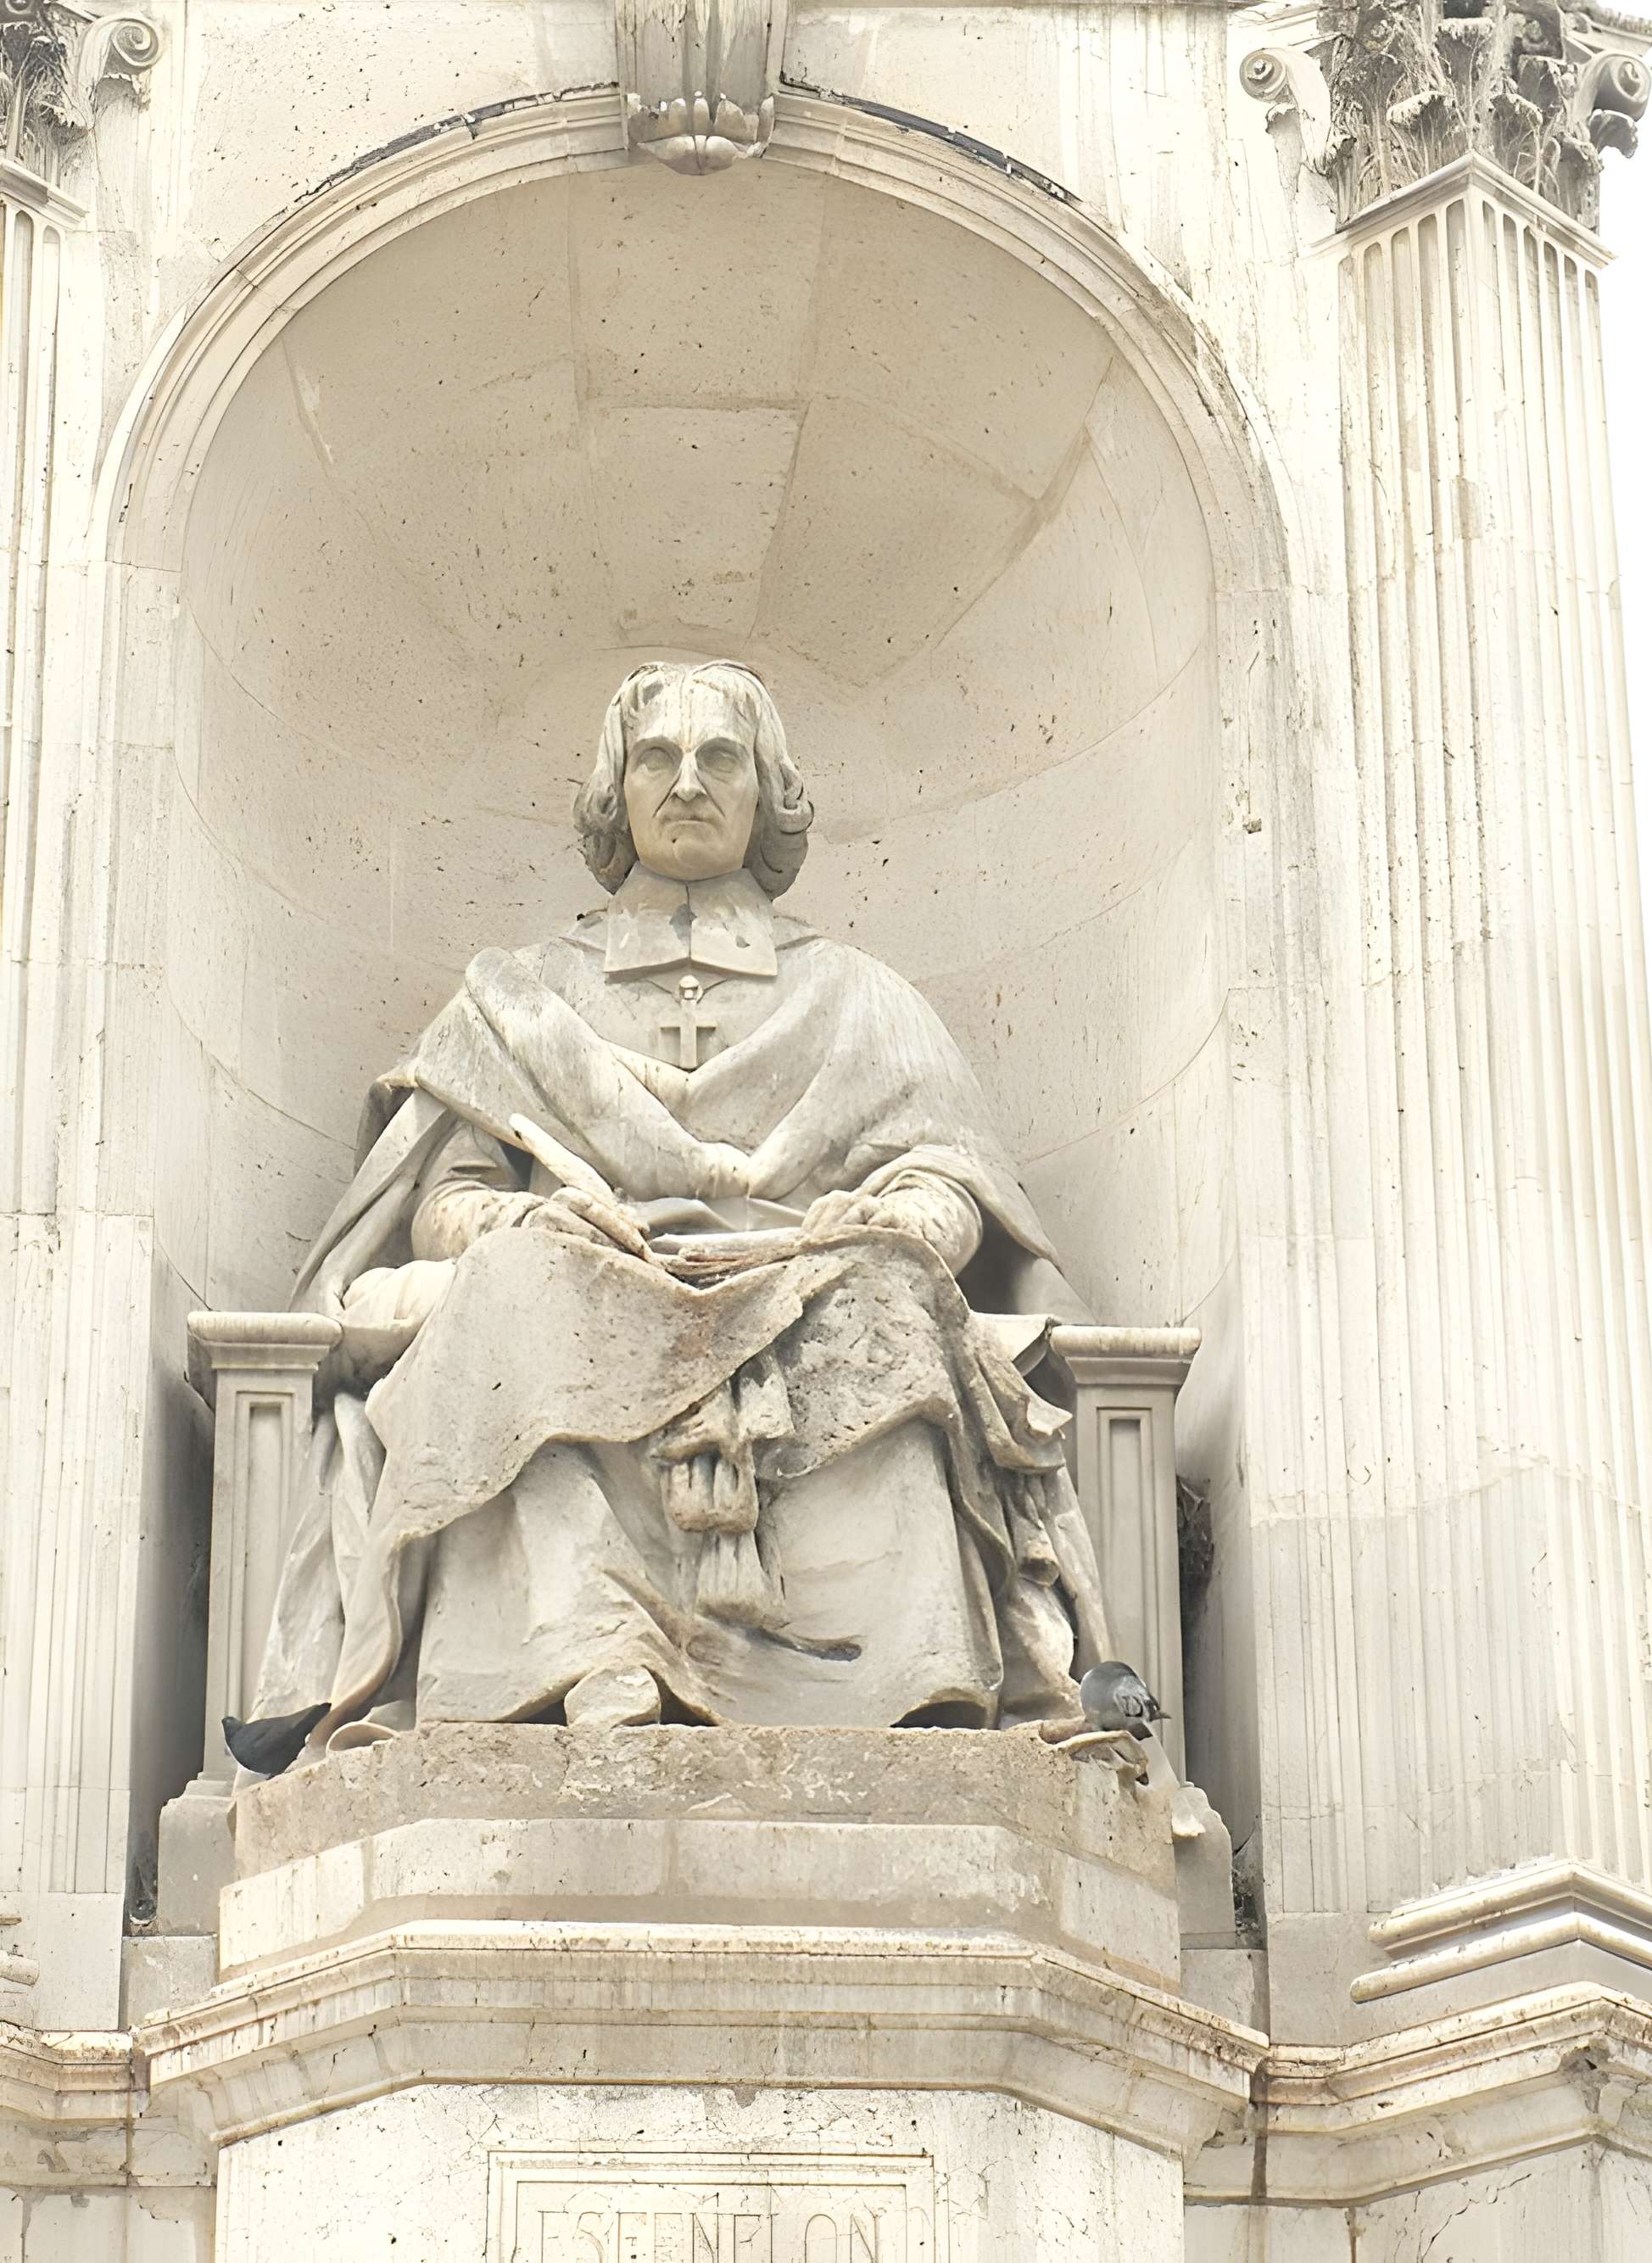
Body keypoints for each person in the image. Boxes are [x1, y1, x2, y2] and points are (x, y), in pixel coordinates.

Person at [242, 660, 1109, 1760]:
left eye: (720, 758)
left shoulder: (860, 1000)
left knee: (896, 1295)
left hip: (804, 1275)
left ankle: (908, 1672)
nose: (687, 782)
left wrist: (900, 1224)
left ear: (767, 795)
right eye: (657, 756)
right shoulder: (521, 999)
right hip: (588, 1278)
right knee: (520, 1293)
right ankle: (589, 1653)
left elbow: (946, 1186)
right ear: (616, 790)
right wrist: (519, 1225)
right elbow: (446, 1205)